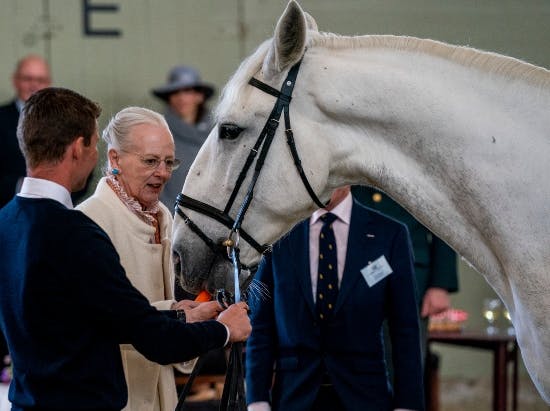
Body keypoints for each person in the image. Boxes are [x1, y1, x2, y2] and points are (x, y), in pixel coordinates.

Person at [0, 87, 251, 411]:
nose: (96, 155)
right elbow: (151, 338)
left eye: (167, 162)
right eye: (94, 143)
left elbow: (84, 319)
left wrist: (178, 315)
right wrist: (224, 330)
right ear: (78, 148)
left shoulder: (6, 221)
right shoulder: (76, 233)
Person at [76, 106, 220, 410]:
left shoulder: (164, 216)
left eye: (169, 162)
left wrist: (183, 312)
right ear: (115, 158)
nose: (164, 173)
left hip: (160, 389)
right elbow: (96, 321)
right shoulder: (87, 222)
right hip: (112, 393)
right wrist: (182, 317)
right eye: (151, 161)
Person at [246, 186, 424, 411]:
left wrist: (408, 405)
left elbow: (405, 329)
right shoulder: (277, 234)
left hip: (366, 396)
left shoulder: (390, 234)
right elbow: (260, 325)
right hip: (293, 396)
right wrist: (257, 400)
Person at [351, 186, 458, 355]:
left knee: (404, 366)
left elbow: (442, 216)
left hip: (408, 274)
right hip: (351, 276)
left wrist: (440, 284)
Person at [151, 65, 215, 209]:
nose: (181, 98)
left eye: (187, 91)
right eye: (175, 92)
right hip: (170, 219)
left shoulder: (219, 134)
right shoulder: (156, 134)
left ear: (200, 96)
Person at [0, 55, 51, 209]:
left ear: (49, 84)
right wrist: (21, 186)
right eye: (28, 79)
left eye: (40, 80)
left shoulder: (63, 120)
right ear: (15, 80)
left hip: (53, 211)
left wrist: (57, 193)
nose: (34, 85)